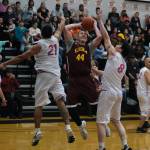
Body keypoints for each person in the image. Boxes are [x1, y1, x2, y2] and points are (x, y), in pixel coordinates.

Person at [0, 17, 75, 145]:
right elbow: (60, 28)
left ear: (41, 34)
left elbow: (21, 56)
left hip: (44, 75)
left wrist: (5, 64)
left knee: (38, 105)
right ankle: (68, 127)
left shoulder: (40, 45)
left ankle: (37, 131)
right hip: (56, 75)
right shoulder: (55, 39)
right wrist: (62, 20)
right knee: (60, 101)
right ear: (51, 33)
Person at [96, 11, 132, 150]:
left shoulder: (115, 54)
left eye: (119, 44)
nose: (116, 45)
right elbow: (108, 74)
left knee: (100, 122)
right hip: (118, 93)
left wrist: (99, 21)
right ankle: (125, 146)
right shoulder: (123, 63)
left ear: (121, 49)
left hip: (109, 92)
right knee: (116, 121)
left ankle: (101, 148)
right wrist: (96, 71)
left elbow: (105, 37)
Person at [63, 18, 102, 140]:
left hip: (86, 79)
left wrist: (95, 25)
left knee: (96, 104)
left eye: (86, 33)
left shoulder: (89, 47)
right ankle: (80, 125)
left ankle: (103, 123)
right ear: (75, 36)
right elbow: (64, 28)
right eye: (81, 33)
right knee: (70, 108)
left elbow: (100, 37)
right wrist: (79, 25)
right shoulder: (70, 44)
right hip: (73, 80)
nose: (84, 34)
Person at [136, 57, 150, 133]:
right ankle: (139, 128)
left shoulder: (142, 69)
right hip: (144, 93)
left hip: (141, 92)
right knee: (144, 112)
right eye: (149, 62)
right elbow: (149, 82)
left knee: (146, 110)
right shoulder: (146, 71)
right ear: (145, 62)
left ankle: (146, 122)